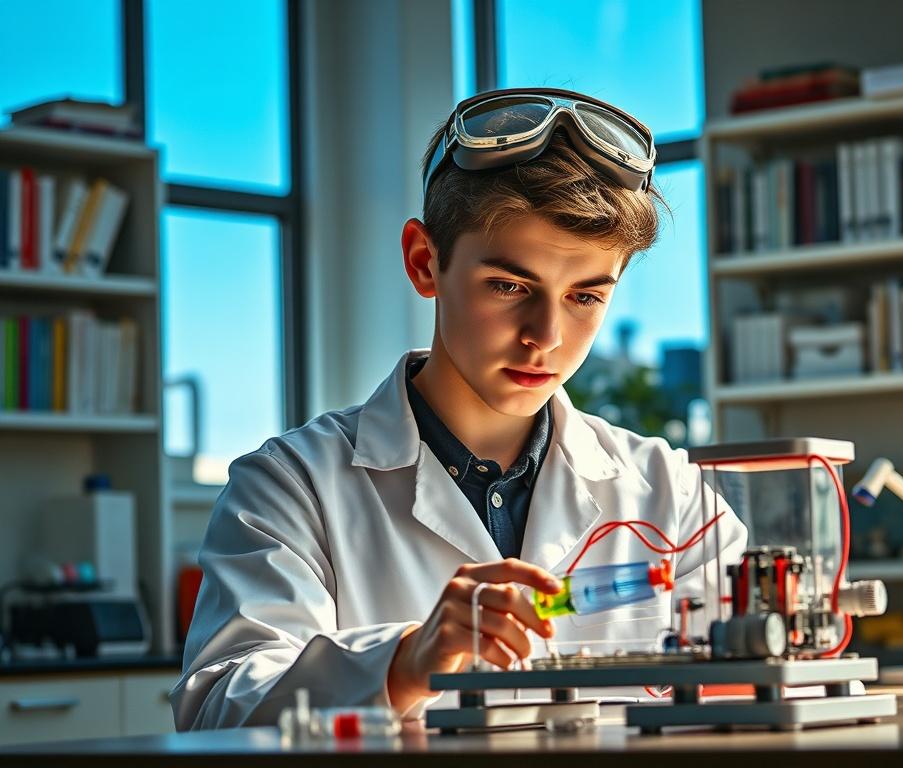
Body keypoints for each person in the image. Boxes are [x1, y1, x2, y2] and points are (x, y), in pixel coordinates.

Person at [170, 88, 747, 730]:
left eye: (585, 296)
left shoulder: (672, 496)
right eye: (508, 286)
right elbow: (218, 712)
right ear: (425, 262)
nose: (546, 336)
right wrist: (402, 663)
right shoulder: (290, 485)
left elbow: (772, 699)